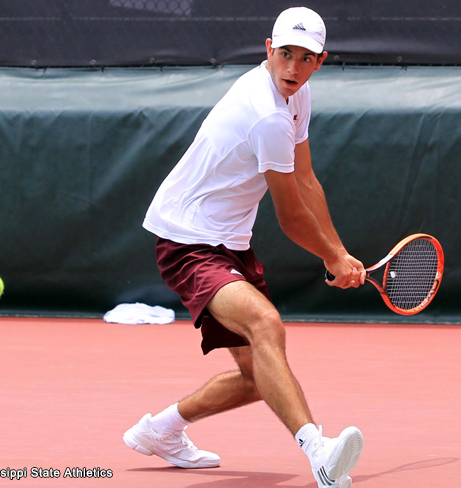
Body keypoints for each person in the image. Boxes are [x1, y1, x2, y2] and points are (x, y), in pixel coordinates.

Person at [123, 7, 366, 488]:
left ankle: (160, 431)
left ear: (320, 61)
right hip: (187, 239)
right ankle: (319, 453)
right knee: (265, 324)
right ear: (268, 49)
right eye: (286, 54)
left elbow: (306, 179)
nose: (293, 67)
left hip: (230, 242)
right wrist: (331, 257)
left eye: (306, 58)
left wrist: (340, 251)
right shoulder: (267, 116)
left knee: (259, 378)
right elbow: (290, 215)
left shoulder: (298, 95)